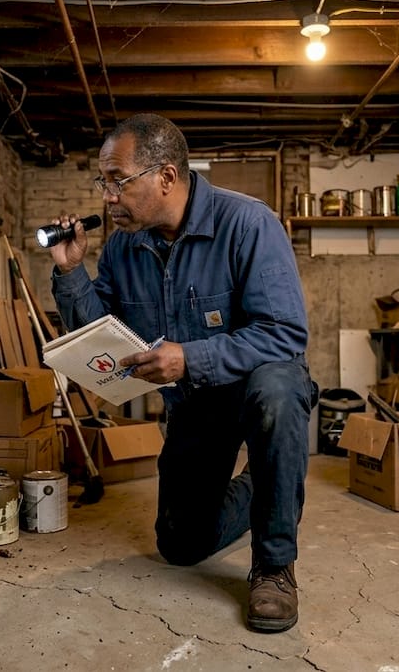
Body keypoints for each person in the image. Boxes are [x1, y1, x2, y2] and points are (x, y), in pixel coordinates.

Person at [49, 113, 316, 633]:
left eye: (117, 181)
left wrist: (190, 358)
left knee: (279, 388)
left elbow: (285, 333)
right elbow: (98, 335)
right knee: (180, 544)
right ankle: (264, 488)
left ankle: (275, 565)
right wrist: (70, 269)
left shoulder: (249, 224)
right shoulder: (125, 245)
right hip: (196, 404)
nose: (108, 197)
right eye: (103, 182)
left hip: (259, 391)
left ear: (166, 177)